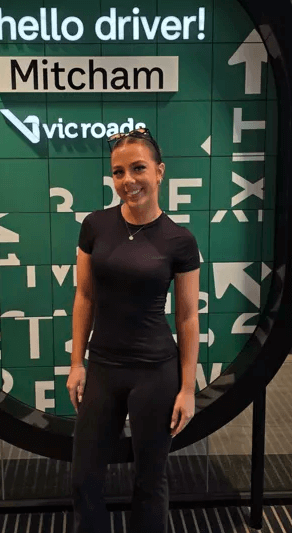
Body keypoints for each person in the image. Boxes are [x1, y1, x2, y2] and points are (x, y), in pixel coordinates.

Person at [67, 128, 200, 533]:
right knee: (84, 479)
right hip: (103, 368)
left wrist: (188, 388)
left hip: (155, 372)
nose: (128, 180)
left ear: (159, 172)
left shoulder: (180, 240)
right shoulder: (94, 225)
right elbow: (84, 297)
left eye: (138, 168)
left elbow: (188, 317)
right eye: (118, 172)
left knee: (150, 482)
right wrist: (76, 364)